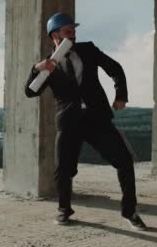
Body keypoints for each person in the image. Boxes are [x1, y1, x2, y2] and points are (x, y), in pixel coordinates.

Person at [24, 13, 147, 231]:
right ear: (55, 35)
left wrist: (121, 95)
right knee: (64, 171)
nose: (73, 35)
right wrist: (36, 68)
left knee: (125, 161)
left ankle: (130, 212)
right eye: (68, 31)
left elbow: (115, 68)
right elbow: (30, 92)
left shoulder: (88, 50)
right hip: (69, 122)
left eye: (74, 31)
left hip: (97, 119)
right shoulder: (48, 64)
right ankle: (64, 210)